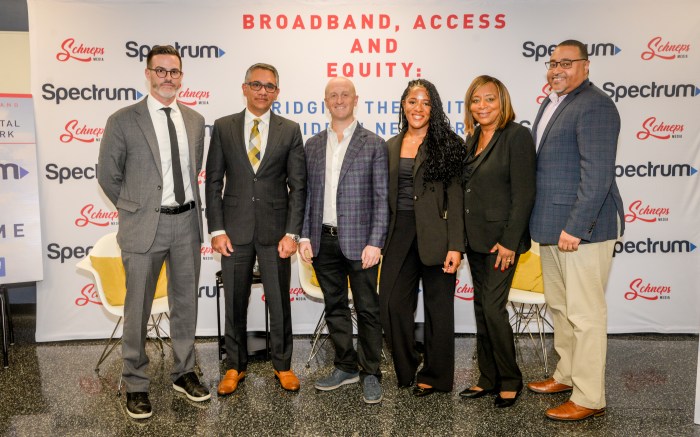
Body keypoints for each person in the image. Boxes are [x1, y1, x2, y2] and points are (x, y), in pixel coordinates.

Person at [97, 45, 209, 419]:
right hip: (145, 226)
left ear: (182, 76)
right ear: (148, 74)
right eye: (160, 71)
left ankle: (183, 372)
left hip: (187, 225)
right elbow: (108, 176)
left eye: (174, 72)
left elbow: (192, 173)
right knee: (137, 308)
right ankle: (135, 383)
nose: (168, 78)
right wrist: (136, 209)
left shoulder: (194, 120)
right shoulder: (123, 120)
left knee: (185, 306)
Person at [527, 40, 624, 421]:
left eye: (566, 63)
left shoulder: (595, 105)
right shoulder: (552, 103)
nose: (556, 69)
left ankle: (589, 396)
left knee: (585, 315)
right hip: (553, 228)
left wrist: (576, 227)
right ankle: (566, 375)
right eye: (552, 63)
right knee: (562, 308)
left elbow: (597, 175)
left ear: (586, 66)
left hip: (583, 229)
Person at [205, 63, 306, 395]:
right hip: (233, 232)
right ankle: (234, 366)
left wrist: (292, 233)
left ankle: (283, 365)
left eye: (270, 86)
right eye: (257, 84)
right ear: (244, 87)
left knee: (279, 302)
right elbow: (214, 181)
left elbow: (298, 186)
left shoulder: (290, 130)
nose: (263, 91)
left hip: (276, 233)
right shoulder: (223, 127)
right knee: (235, 301)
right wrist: (216, 229)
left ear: (277, 92)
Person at [299, 77, 389, 404]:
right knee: (335, 307)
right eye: (333, 95)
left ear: (355, 99)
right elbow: (307, 196)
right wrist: (305, 237)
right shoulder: (312, 145)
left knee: (367, 310)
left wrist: (376, 242)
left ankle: (371, 373)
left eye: (345, 94)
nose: (339, 99)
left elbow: (382, 199)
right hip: (323, 241)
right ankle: (345, 366)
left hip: (361, 244)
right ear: (325, 101)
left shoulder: (374, 144)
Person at [380, 79, 466, 397]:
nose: (419, 108)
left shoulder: (449, 145)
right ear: (403, 105)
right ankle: (407, 365)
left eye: (426, 102)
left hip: (437, 235)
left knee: (439, 310)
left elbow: (456, 199)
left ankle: (436, 376)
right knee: (390, 304)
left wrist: (456, 245)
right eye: (413, 101)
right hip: (397, 234)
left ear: (434, 108)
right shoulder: (389, 145)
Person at [458, 75, 536, 408]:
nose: (482, 106)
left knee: (492, 309)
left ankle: (510, 379)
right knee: (481, 309)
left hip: (501, 242)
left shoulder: (517, 136)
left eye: (489, 99)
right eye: (476, 100)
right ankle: (487, 378)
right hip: (475, 240)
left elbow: (524, 194)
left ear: (502, 101)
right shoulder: (472, 138)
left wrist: (509, 241)